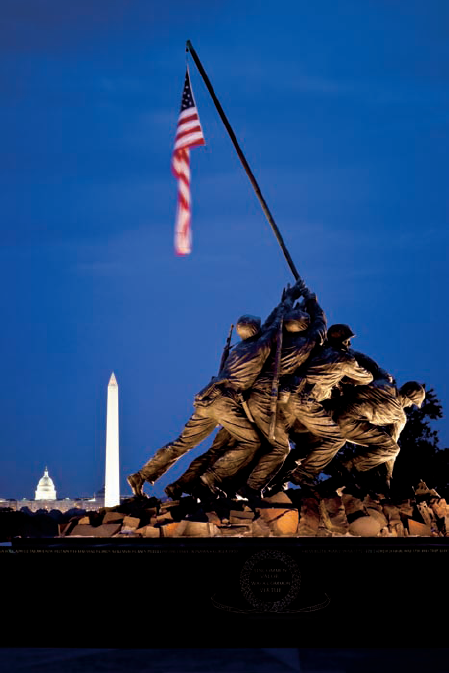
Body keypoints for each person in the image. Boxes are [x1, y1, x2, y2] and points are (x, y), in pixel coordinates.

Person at [127, 278, 306, 497]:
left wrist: (285, 300)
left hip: (207, 398)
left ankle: (140, 476)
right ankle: (209, 479)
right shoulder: (259, 347)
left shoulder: (239, 348)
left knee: (181, 444)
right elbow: (275, 324)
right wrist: (289, 299)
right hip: (224, 401)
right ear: (255, 331)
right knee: (252, 443)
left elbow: (270, 325)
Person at [199, 284, 326, 498]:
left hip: (249, 398)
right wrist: (312, 301)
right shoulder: (306, 343)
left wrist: (287, 302)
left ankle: (224, 482)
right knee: (280, 448)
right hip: (266, 398)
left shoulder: (270, 340)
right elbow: (321, 326)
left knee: (254, 443)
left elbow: (270, 324)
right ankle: (250, 487)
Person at [274, 324, 375, 488]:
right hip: (304, 403)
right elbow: (366, 378)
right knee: (336, 438)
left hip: (287, 400)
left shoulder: (319, 351)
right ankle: (303, 474)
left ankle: (276, 480)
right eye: (348, 341)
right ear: (343, 341)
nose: (349, 344)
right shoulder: (345, 359)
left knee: (303, 443)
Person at [333, 379, 426, 491]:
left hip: (335, 407)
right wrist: (388, 475)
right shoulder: (399, 416)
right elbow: (392, 445)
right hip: (346, 422)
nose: (410, 406)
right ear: (407, 399)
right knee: (392, 449)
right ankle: (347, 466)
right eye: (412, 403)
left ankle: (350, 469)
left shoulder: (384, 383)